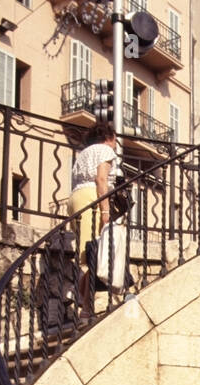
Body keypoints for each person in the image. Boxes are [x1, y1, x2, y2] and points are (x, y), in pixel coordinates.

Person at [67, 121, 121, 312]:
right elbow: (101, 179)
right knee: (95, 254)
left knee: (89, 252)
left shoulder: (84, 154)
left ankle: (83, 300)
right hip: (92, 197)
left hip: (76, 198)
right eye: (115, 139)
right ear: (110, 137)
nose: (115, 143)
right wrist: (106, 210)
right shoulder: (105, 151)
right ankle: (85, 304)